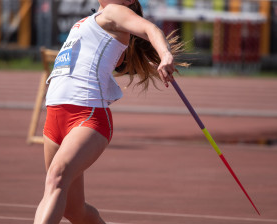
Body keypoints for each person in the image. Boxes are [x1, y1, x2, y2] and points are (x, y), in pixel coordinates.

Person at [33, 0, 186, 223]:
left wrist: (166, 55)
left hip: (86, 116)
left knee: (56, 178)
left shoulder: (114, 12)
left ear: (129, 1)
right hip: (55, 118)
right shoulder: (91, 21)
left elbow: (150, 29)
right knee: (74, 211)